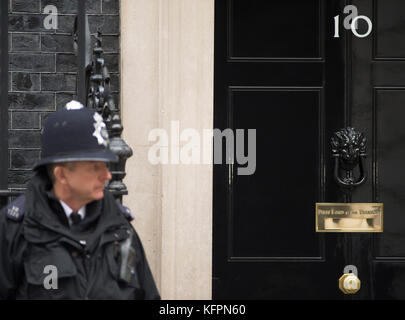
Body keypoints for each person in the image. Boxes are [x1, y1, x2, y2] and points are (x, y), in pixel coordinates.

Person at [0, 101, 160, 300]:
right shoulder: (15, 229)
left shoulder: (121, 228)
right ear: (62, 175)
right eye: (94, 167)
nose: (107, 175)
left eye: (106, 165)